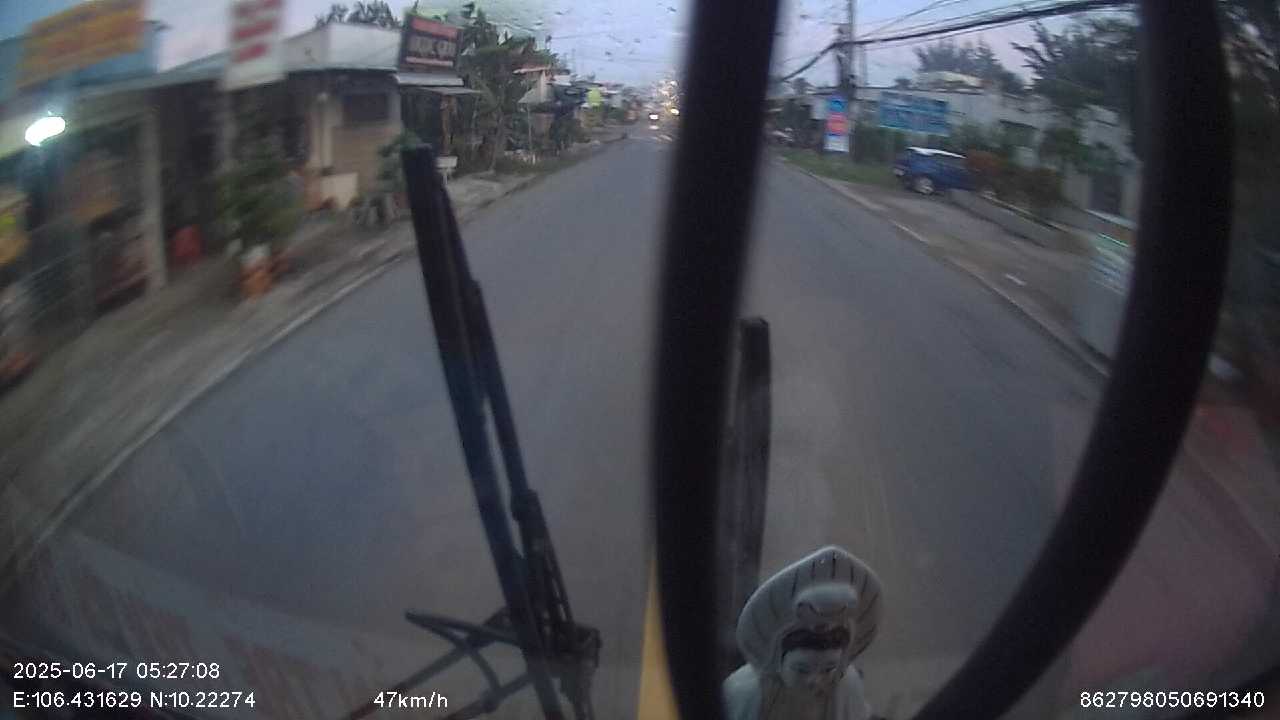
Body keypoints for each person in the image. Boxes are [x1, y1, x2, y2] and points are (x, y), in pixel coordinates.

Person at [722, 546, 882, 720]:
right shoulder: (746, 691)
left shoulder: (847, 687)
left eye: (828, 669)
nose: (815, 680)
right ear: (778, 660)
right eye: (802, 670)